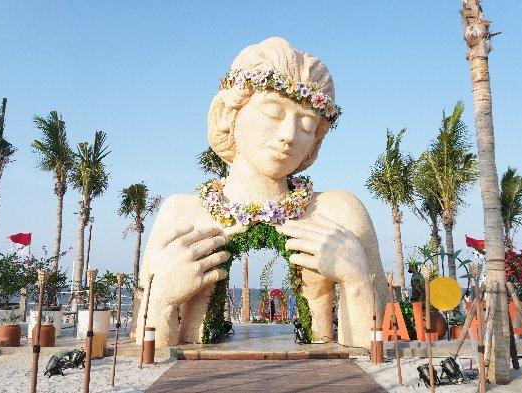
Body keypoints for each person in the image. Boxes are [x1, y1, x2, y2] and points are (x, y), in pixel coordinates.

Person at [136, 37, 388, 348]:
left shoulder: (339, 212)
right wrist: (160, 300)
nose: (289, 136)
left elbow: (377, 346)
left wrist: (358, 282)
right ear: (229, 114)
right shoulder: (181, 214)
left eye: (307, 125)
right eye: (272, 112)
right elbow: (147, 346)